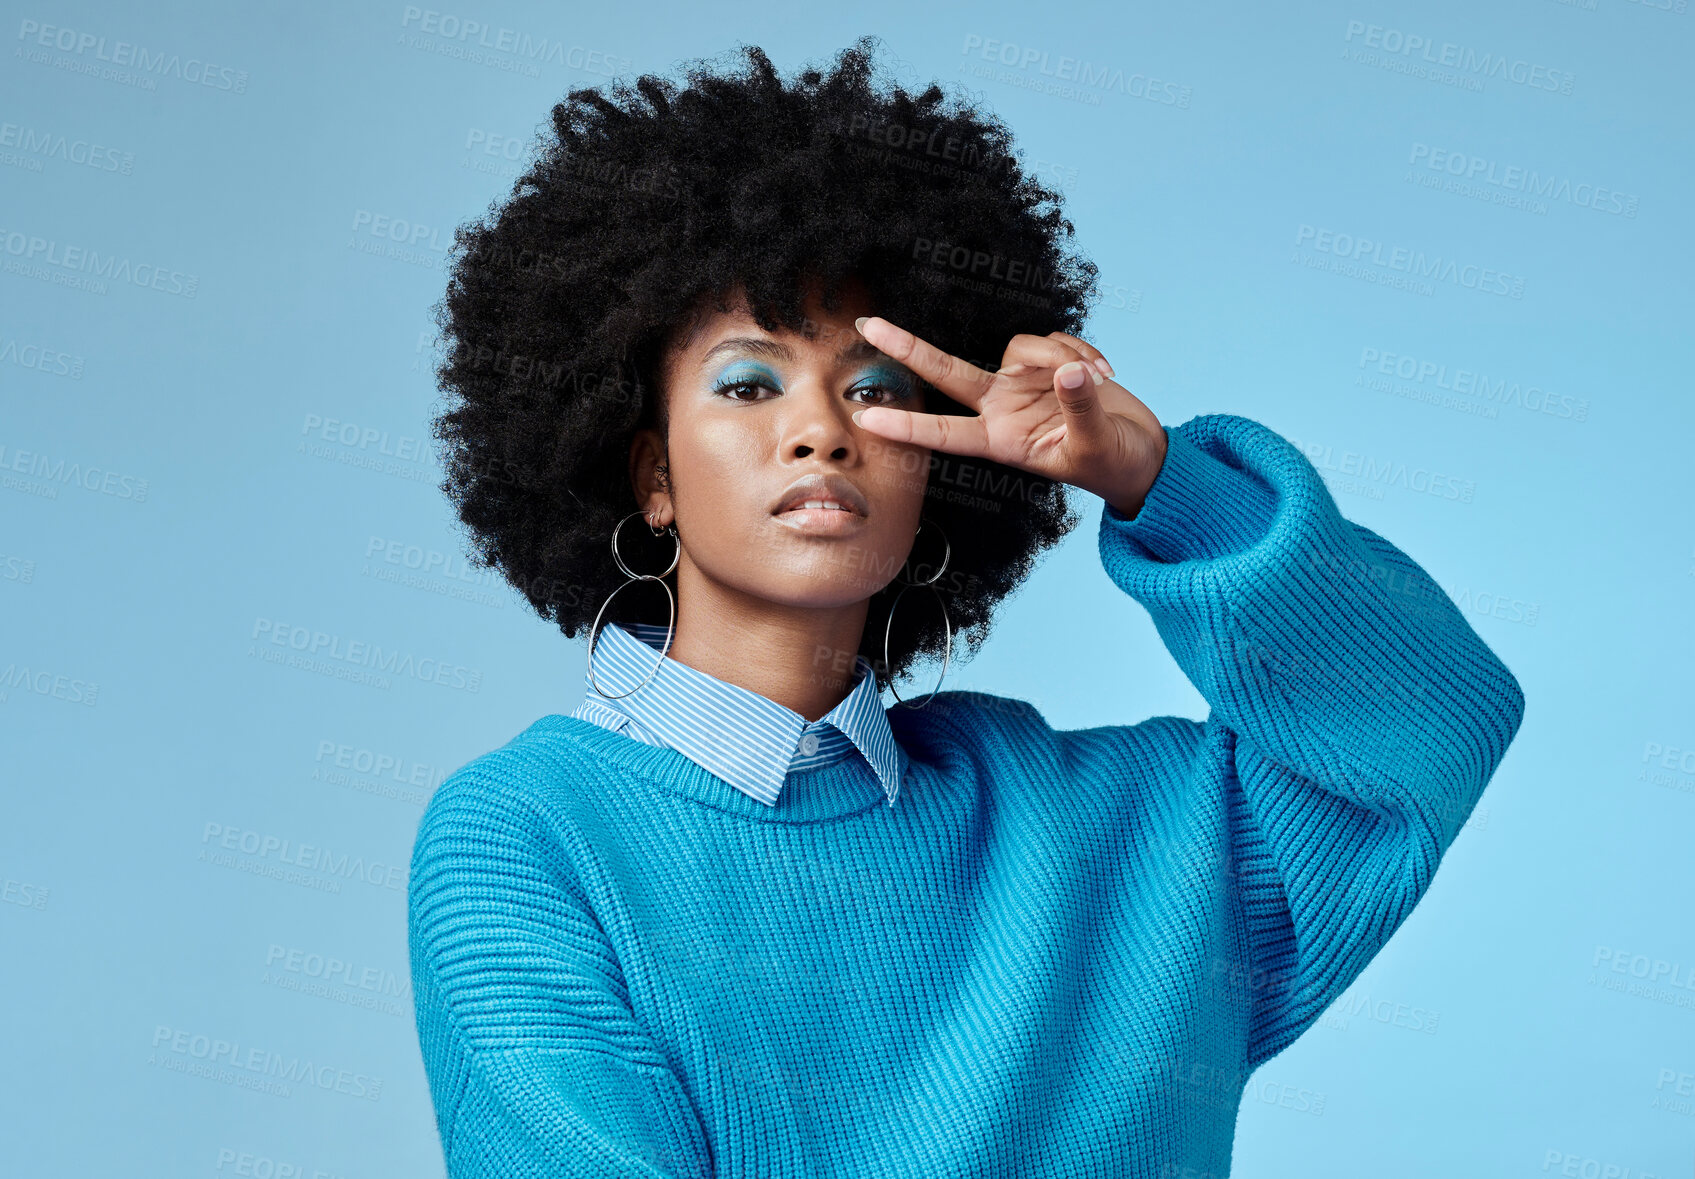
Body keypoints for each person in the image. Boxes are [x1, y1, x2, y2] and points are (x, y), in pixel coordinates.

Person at [407, 37, 1525, 1178]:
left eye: (877, 389)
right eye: (750, 384)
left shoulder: (1118, 832)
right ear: (651, 475)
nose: (821, 429)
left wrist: (1158, 482)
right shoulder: (529, 836)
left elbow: (1427, 724)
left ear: (932, 470)